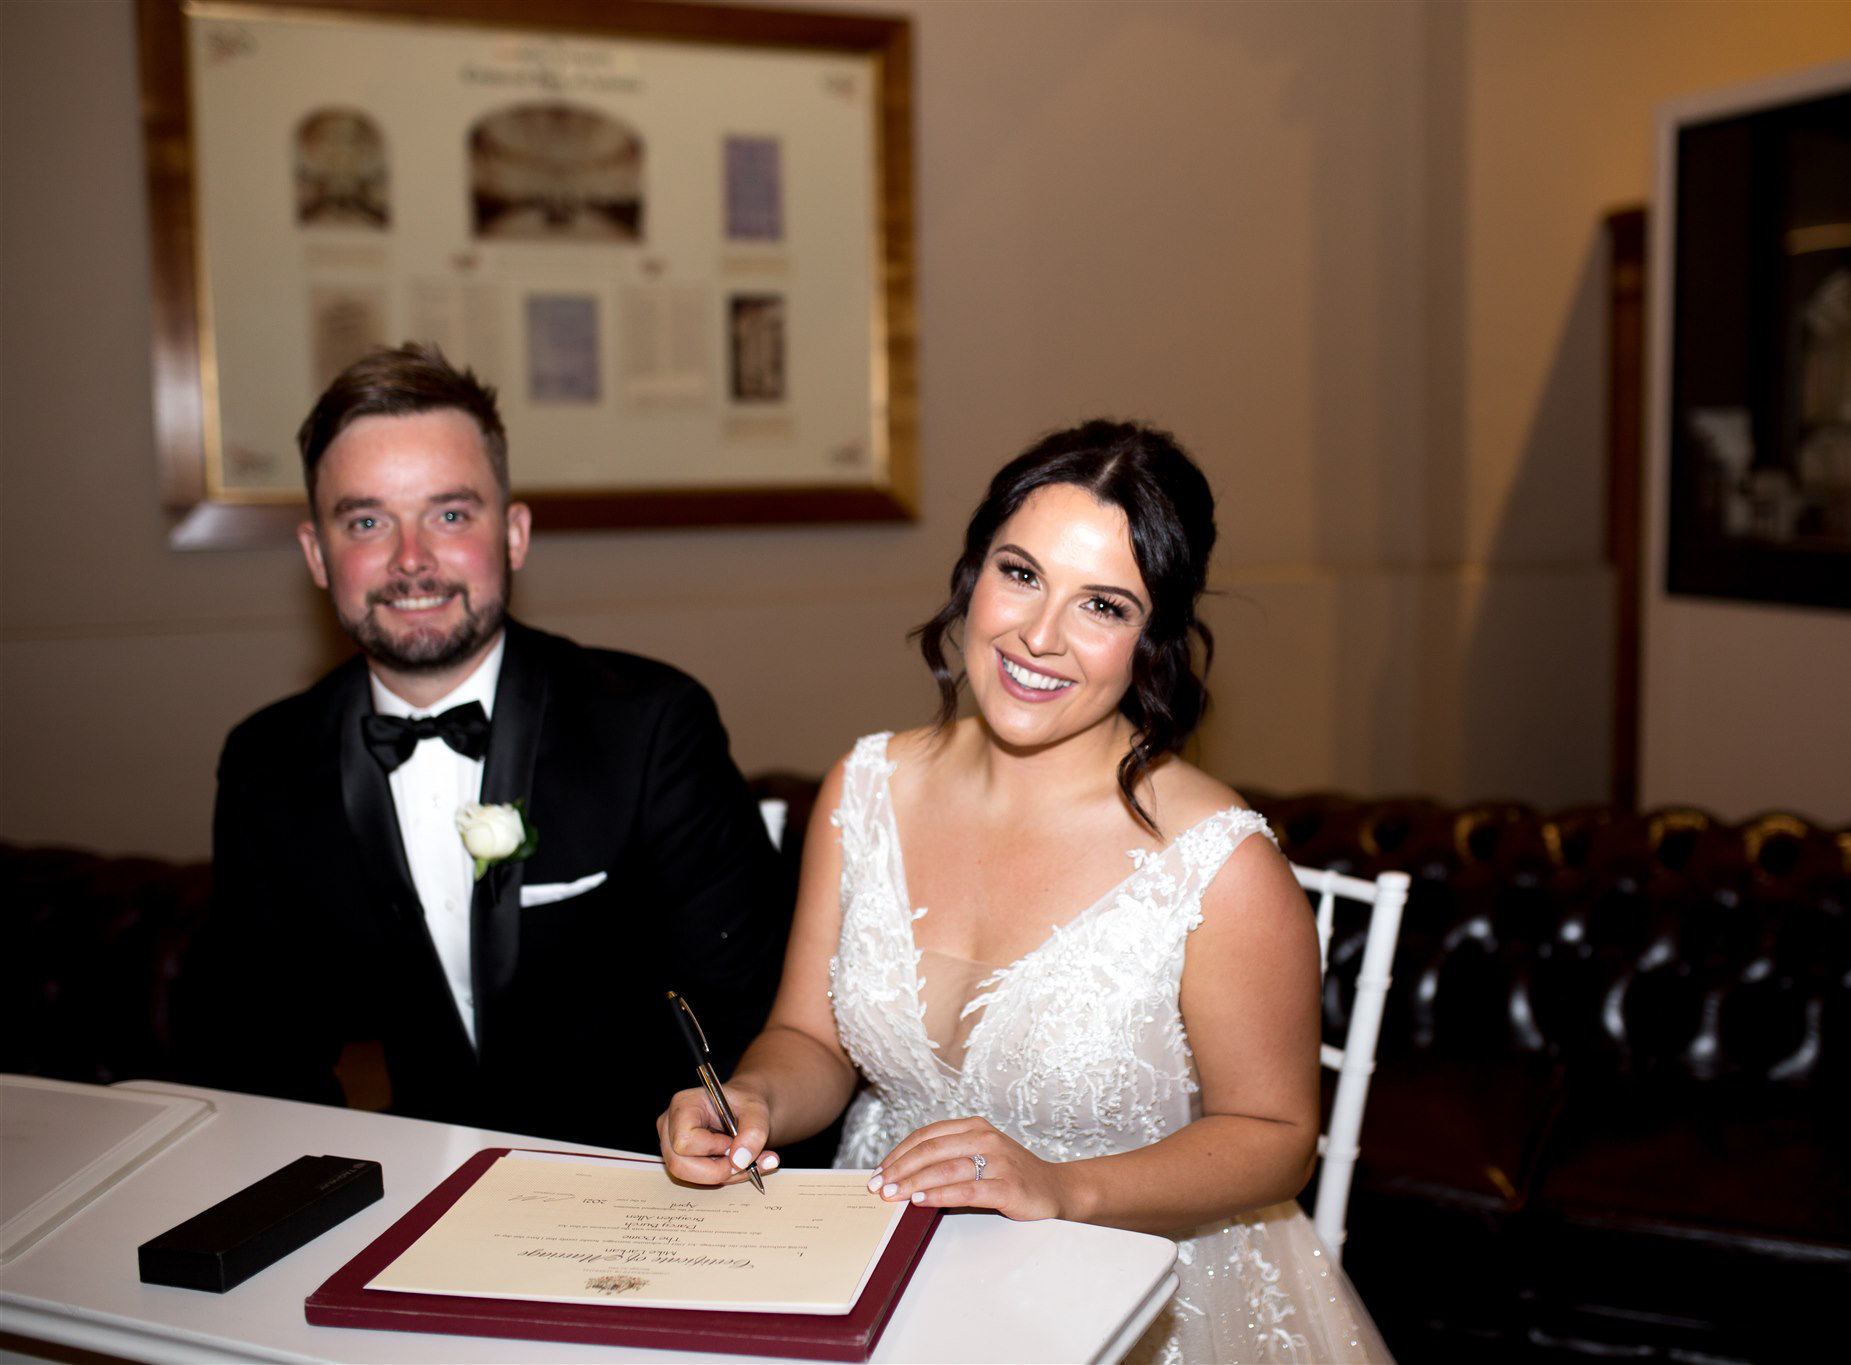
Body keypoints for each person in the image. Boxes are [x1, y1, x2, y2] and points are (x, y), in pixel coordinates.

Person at [659, 421, 1391, 1362]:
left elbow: (1277, 1135)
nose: (1039, 636)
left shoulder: (1219, 863)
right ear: (972, 575)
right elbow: (811, 1040)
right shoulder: (866, 783)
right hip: (887, 1268)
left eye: (1103, 604)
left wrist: (1063, 1185)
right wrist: (749, 1098)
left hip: (1140, 1287)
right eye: (1021, 573)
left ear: (1154, 637)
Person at [186, 343, 786, 1154]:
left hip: (648, 1191)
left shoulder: (650, 727)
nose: (411, 559)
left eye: (450, 514)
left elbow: (750, 1018)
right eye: (367, 520)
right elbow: (257, 1058)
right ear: (316, 555)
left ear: (514, 533)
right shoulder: (266, 764)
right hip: (407, 1204)